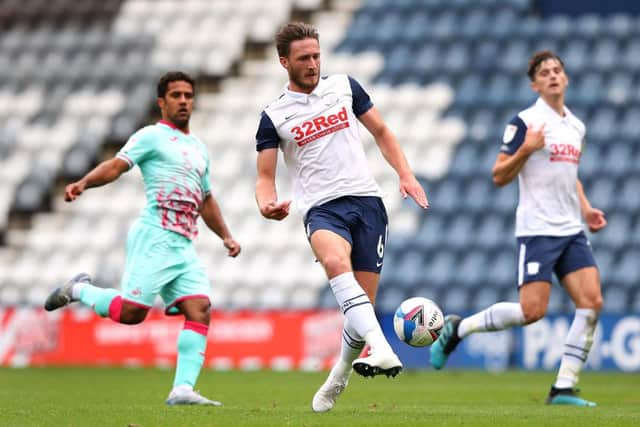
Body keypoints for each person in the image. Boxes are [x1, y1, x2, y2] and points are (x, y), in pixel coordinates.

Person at [254, 22, 429, 413]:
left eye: (316, 56)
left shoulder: (346, 87)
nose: (313, 64)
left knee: (359, 308)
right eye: (304, 58)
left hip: (368, 204)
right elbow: (264, 178)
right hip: (322, 209)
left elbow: (382, 131)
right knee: (335, 263)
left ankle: (339, 374)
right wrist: (267, 204)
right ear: (284, 62)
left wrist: (405, 173)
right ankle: (381, 348)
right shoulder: (274, 116)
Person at [44, 71, 241, 406]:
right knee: (133, 313)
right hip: (155, 235)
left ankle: (182, 389)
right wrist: (83, 183)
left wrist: (226, 235)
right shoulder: (151, 136)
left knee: (200, 308)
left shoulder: (198, 148)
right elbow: (117, 166)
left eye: (188, 95)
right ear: (161, 102)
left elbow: (205, 198)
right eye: (176, 95)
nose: (183, 101)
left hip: (183, 243)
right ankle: (77, 289)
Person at [430, 51, 607, 407]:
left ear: (566, 78)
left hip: (571, 229)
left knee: (592, 302)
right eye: (545, 73)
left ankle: (563, 387)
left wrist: (586, 209)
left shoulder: (576, 126)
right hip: (538, 229)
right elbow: (498, 175)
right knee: (532, 311)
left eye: (558, 70)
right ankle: (458, 328)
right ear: (535, 84)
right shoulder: (525, 122)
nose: (553, 76)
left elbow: (570, 176)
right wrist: (526, 150)